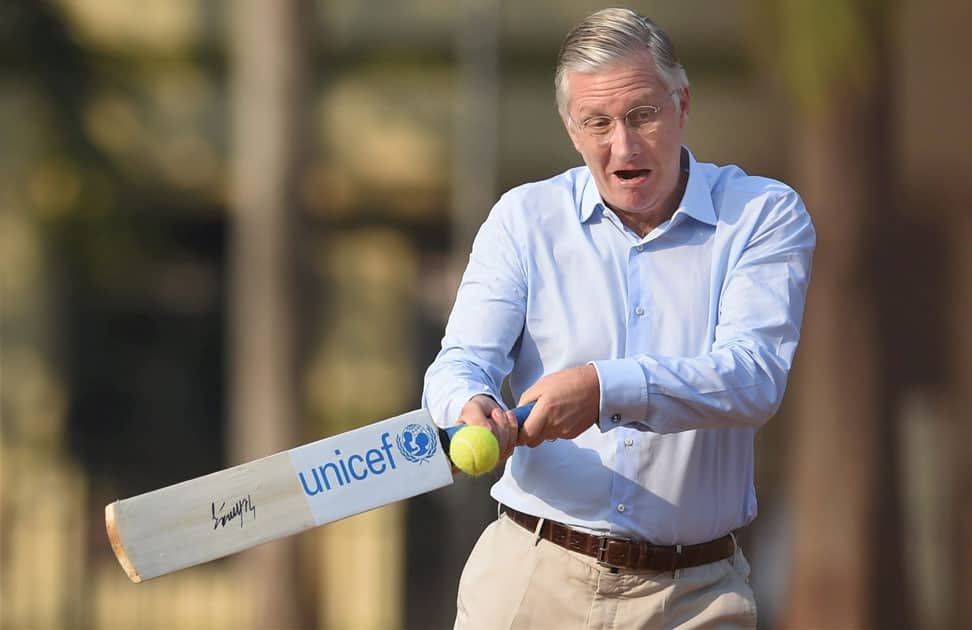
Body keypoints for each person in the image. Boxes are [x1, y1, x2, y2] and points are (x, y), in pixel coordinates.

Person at [423, 7, 815, 629]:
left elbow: (753, 377)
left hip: (695, 597)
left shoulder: (763, 215)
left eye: (642, 115)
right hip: (531, 578)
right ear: (570, 129)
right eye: (597, 123)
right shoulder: (523, 219)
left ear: (682, 103)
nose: (623, 145)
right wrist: (469, 404)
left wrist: (603, 388)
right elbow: (460, 363)